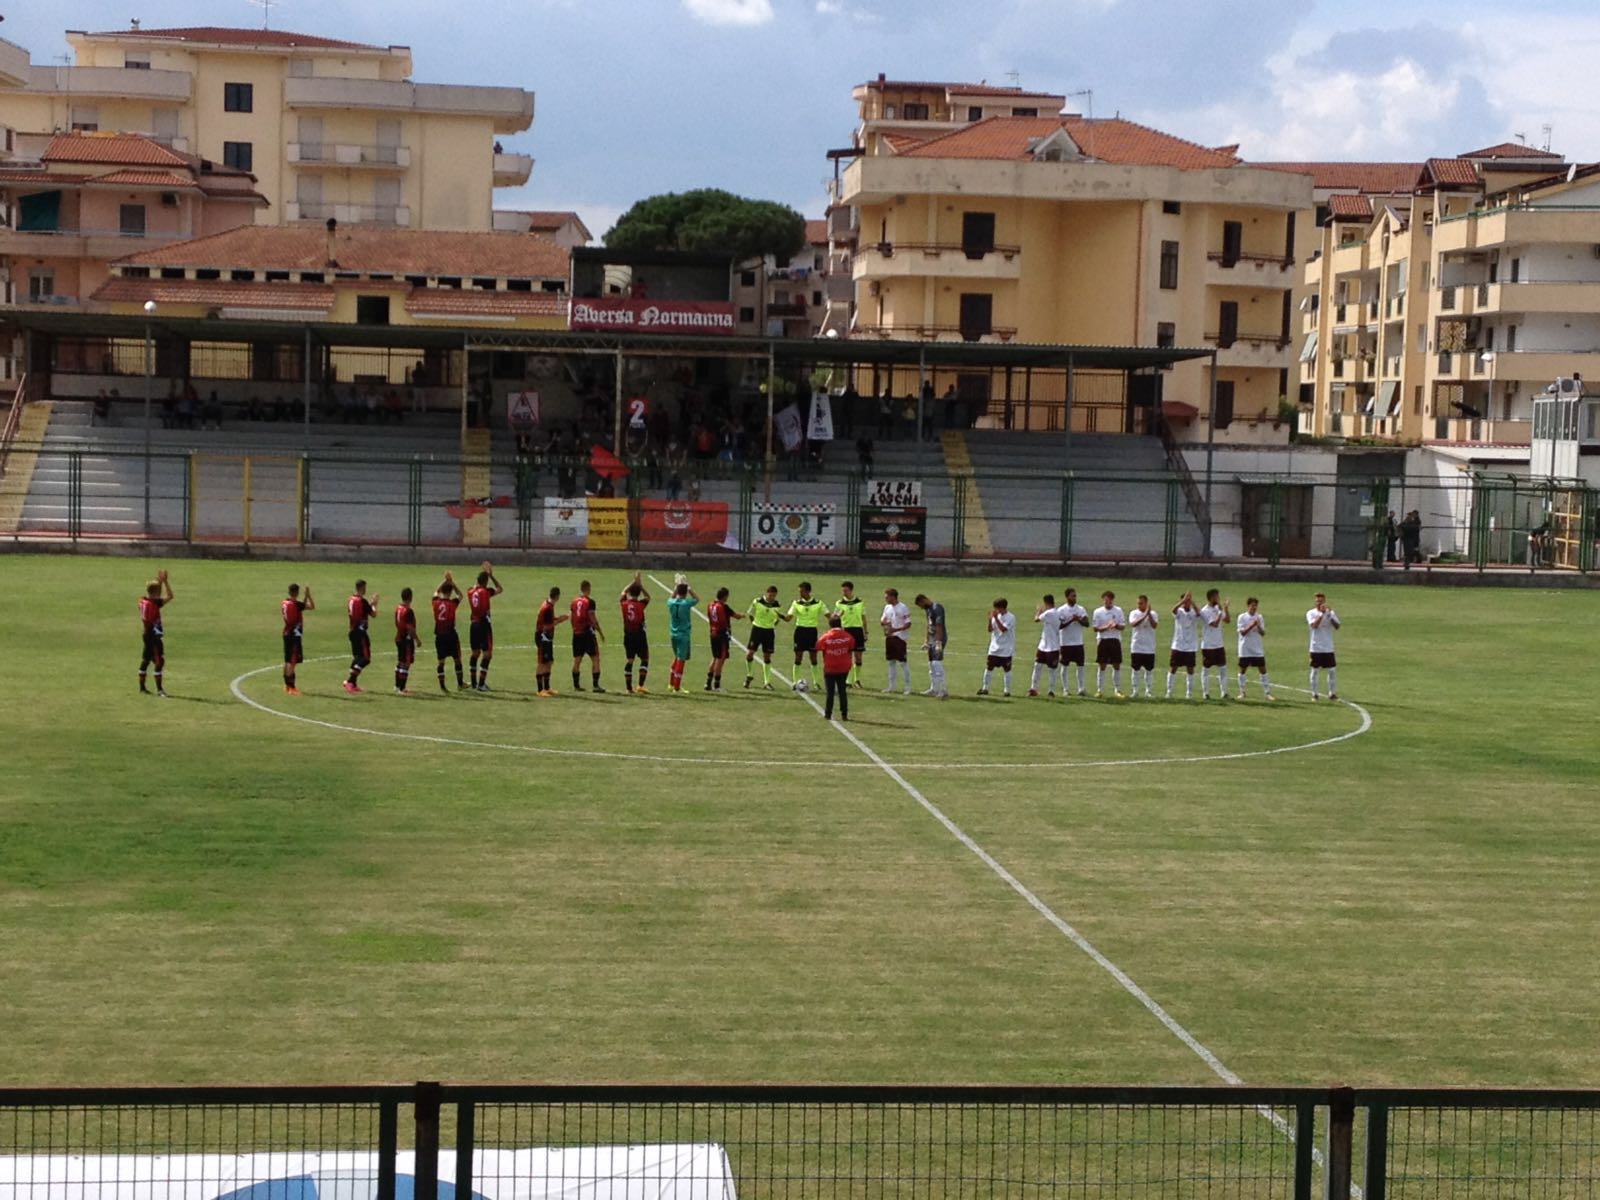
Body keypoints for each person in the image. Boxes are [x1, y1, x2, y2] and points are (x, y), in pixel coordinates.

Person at [466, 561, 502, 692]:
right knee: (487, 655)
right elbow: (500, 589)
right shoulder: (486, 591)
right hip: (484, 625)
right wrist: (491, 576)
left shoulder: (470, 591)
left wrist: (482, 578)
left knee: (475, 653)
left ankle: (474, 682)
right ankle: (481, 684)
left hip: (473, 624)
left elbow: (475, 586)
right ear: (486, 582)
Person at [783, 580, 825, 692]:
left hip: (812, 632)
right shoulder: (796, 603)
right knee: (798, 657)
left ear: (808, 591)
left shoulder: (818, 603)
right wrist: (778, 615)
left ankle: (816, 682)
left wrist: (837, 618)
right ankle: (795, 681)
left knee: (813, 657)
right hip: (800, 631)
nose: (800, 593)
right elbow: (788, 618)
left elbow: (828, 615)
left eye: (802, 591)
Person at [137, 570, 173, 697]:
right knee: (159, 661)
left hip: (147, 635)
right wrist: (165, 582)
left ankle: (142, 687)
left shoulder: (143, 601)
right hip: (153, 636)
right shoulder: (152, 605)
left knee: (146, 659)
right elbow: (170, 596)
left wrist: (160, 582)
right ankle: (159, 690)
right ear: (156, 593)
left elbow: (158, 595)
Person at [818, 614, 857, 721]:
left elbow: (818, 646)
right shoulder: (848, 636)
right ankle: (844, 714)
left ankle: (828, 713)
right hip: (844, 667)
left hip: (830, 667)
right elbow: (851, 647)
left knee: (830, 692)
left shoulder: (826, 636)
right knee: (842, 691)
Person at [743, 584, 783, 690]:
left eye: (774, 596)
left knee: (767, 656)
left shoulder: (777, 605)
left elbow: (778, 618)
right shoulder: (757, 601)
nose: (772, 598)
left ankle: (767, 682)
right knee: (750, 653)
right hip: (757, 629)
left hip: (769, 631)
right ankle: (749, 675)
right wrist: (754, 623)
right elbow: (750, 613)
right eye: (771, 595)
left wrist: (772, 625)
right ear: (767, 593)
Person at [432, 572, 467, 692]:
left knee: (441, 662)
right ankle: (460, 684)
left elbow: (435, 591)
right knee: (457, 659)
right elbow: (461, 595)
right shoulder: (452, 604)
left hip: (439, 636)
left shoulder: (435, 602)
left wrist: (444, 581)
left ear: (442, 590)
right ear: (451, 592)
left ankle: (442, 686)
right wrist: (452, 582)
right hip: (451, 635)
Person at [705, 587, 745, 691]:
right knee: (721, 659)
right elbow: (736, 616)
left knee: (714, 657)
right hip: (722, 635)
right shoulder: (723, 606)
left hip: (713, 633)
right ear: (725, 596)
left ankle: (708, 682)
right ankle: (717, 685)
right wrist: (742, 615)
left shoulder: (710, 605)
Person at [343, 579, 378, 694]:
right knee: (365, 658)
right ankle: (350, 681)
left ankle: (353, 683)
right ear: (362, 588)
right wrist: (374, 605)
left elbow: (362, 611)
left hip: (352, 631)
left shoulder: (351, 599)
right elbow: (373, 614)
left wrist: (370, 604)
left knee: (357, 657)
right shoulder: (362, 601)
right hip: (360, 632)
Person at [1235, 597, 1274, 700]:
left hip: (1257, 648)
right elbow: (1242, 632)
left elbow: (1263, 633)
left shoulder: (1259, 617)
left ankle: (1267, 693)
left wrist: (1259, 626)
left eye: (1255, 605)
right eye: (1252, 605)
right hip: (1245, 648)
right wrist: (1252, 625)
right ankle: (1242, 692)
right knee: (1243, 670)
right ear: (1248, 606)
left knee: (1263, 669)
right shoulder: (1242, 617)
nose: (1254, 607)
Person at [570, 578, 605, 692]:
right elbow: (592, 618)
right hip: (588, 634)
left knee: (577, 660)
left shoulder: (574, 602)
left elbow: (572, 617)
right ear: (588, 589)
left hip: (577, 633)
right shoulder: (590, 602)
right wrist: (600, 632)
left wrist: (574, 629)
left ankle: (576, 685)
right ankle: (595, 685)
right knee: (595, 659)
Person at [619, 572, 652, 693]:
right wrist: (640, 585)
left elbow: (623, 592)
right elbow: (648, 597)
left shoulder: (624, 603)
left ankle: (628, 688)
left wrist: (634, 582)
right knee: (645, 658)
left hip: (628, 635)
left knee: (630, 660)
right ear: (638, 594)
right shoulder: (641, 604)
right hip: (639, 634)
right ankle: (640, 685)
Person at [1091, 590, 1127, 699]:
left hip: (1115, 639)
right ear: (1103, 600)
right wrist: (1106, 627)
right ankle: (1099, 690)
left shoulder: (1118, 610)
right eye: (1106, 600)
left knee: (1116, 665)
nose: (1108, 602)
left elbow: (1123, 626)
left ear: (1112, 600)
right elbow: (1095, 628)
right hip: (1103, 640)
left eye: (1110, 600)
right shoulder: (1098, 612)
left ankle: (1117, 689)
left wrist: (1116, 625)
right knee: (1102, 665)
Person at [1306, 592, 1342, 701]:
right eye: (1318, 601)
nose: (1320, 603)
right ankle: (1314, 693)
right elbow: (1314, 626)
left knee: (1332, 670)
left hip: (1328, 647)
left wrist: (1330, 615)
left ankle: (1332, 693)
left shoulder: (1330, 612)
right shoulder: (1310, 613)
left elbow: (1337, 626)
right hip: (1316, 647)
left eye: (1321, 601)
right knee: (1315, 671)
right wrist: (1321, 615)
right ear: (1315, 602)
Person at [1055, 588, 1090, 697]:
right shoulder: (1061, 610)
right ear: (1067, 597)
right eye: (1072, 596)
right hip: (1065, 643)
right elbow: (1059, 626)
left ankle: (1081, 688)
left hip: (1078, 642)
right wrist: (1071, 620)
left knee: (1080, 666)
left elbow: (1087, 623)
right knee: (1065, 666)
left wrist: (1078, 620)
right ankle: (1066, 689)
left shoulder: (1081, 609)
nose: (1074, 598)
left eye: (1075, 596)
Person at [281, 581, 314, 695]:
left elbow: (301, 607)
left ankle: (286, 685)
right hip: (295, 635)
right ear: (297, 592)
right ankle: (291, 686)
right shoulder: (296, 604)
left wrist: (304, 598)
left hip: (286, 633)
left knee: (287, 660)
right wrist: (308, 596)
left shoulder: (285, 603)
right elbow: (311, 606)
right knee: (292, 661)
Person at [534, 586, 568, 696]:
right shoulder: (547, 607)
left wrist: (558, 618)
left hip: (547, 637)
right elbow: (547, 625)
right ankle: (540, 690)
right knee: (542, 663)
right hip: (542, 637)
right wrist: (560, 620)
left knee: (549, 662)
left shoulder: (548, 605)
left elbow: (548, 620)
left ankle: (547, 687)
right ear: (557, 596)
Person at [667, 577, 699, 693]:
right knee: (681, 660)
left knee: (676, 658)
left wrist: (677, 587)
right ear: (685, 593)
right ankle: (677, 686)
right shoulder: (686, 603)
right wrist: (688, 587)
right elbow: (696, 599)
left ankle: (671, 683)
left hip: (673, 634)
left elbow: (671, 597)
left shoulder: (671, 602)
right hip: (683, 635)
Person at [833, 580, 868, 688]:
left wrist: (865, 631)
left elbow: (863, 617)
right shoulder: (839, 603)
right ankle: (847, 680)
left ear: (851, 590)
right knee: (847, 657)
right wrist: (837, 616)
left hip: (857, 630)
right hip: (846, 631)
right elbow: (835, 617)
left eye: (846, 590)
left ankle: (857, 680)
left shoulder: (860, 602)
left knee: (858, 657)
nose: (844, 593)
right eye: (843, 591)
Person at [1166, 591, 1200, 700]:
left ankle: (1189, 693)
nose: (1187, 603)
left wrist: (1192, 601)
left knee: (1190, 669)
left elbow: (1199, 613)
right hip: (1178, 645)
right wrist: (1182, 601)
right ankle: (1169, 692)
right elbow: (1173, 610)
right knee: (1173, 668)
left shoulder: (1194, 613)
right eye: (1185, 602)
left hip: (1191, 646)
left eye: (1188, 602)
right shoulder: (1179, 612)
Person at [978, 598, 1015, 697]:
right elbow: (990, 630)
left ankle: (1007, 690)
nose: (996, 611)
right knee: (989, 667)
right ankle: (985, 688)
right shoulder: (995, 616)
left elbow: (1003, 629)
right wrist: (990, 620)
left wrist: (996, 618)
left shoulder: (1011, 617)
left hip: (1006, 648)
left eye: (997, 608)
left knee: (1007, 669)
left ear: (1002, 608)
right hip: (994, 647)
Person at [1199, 588, 1231, 700]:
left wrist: (1225, 609)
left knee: (1223, 668)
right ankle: (1206, 693)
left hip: (1219, 644)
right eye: (1217, 596)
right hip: (1208, 644)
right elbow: (1214, 624)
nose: (1218, 598)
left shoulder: (1218, 609)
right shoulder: (1204, 611)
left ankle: (1224, 692)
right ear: (1211, 597)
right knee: (1206, 669)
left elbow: (1227, 620)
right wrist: (1220, 612)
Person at [914, 593, 948, 698]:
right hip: (932, 639)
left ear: (924, 600)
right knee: (931, 665)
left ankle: (943, 689)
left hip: (938, 638)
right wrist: (926, 640)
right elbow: (928, 625)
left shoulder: (936, 608)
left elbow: (939, 626)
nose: (921, 608)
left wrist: (938, 642)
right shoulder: (928, 609)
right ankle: (934, 688)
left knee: (937, 663)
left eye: (920, 605)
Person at [880, 587, 913, 694]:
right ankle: (891, 686)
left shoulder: (903, 607)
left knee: (903, 662)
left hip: (900, 637)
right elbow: (884, 619)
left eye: (887, 597)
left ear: (893, 597)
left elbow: (908, 623)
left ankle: (908, 687)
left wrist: (897, 629)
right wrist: (884, 623)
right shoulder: (887, 607)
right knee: (891, 662)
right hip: (889, 637)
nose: (886, 599)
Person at [1029, 593, 1062, 698]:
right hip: (1048, 645)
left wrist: (1039, 610)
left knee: (1038, 667)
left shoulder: (1048, 613)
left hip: (1049, 645)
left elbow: (1036, 619)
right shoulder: (1057, 613)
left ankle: (1035, 688)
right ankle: (1049, 690)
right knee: (1050, 669)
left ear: (1045, 602)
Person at [1126, 594, 1159, 699]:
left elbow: (1154, 626)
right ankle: (1135, 691)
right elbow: (1133, 624)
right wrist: (1145, 615)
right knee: (1136, 670)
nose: (1139, 605)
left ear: (1146, 603)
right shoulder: (1133, 613)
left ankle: (1148, 691)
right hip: (1137, 646)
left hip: (1149, 647)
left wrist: (1149, 614)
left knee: (1149, 670)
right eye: (1138, 603)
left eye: (1141, 603)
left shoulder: (1153, 614)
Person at [394, 587, 418, 695]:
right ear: (410, 597)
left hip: (399, 637)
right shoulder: (408, 611)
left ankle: (397, 685)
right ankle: (402, 688)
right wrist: (417, 639)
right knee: (406, 663)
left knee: (400, 661)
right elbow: (410, 627)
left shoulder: (398, 608)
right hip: (406, 639)